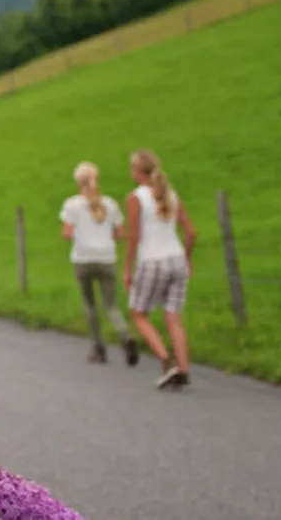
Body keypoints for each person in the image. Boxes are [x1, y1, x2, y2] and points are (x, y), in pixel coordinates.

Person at [123, 149, 196, 389]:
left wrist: (127, 269)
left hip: (152, 260)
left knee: (138, 313)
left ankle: (167, 361)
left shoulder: (135, 198)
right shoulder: (170, 194)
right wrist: (186, 258)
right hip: (176, 259)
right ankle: (184, 369)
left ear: (137, 171)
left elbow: (134, 236)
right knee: (174, 317)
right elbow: (191, 232)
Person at [60, 162, 139, 365]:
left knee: (90, 305)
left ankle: (98, 348)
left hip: (83, 259)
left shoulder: (72, 205)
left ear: (78, 182)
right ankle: (125, 336)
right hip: (106, 258)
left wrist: (82, 235)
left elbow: (67, 234)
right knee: (111, 305)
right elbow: (121, 233)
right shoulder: (110, 204)